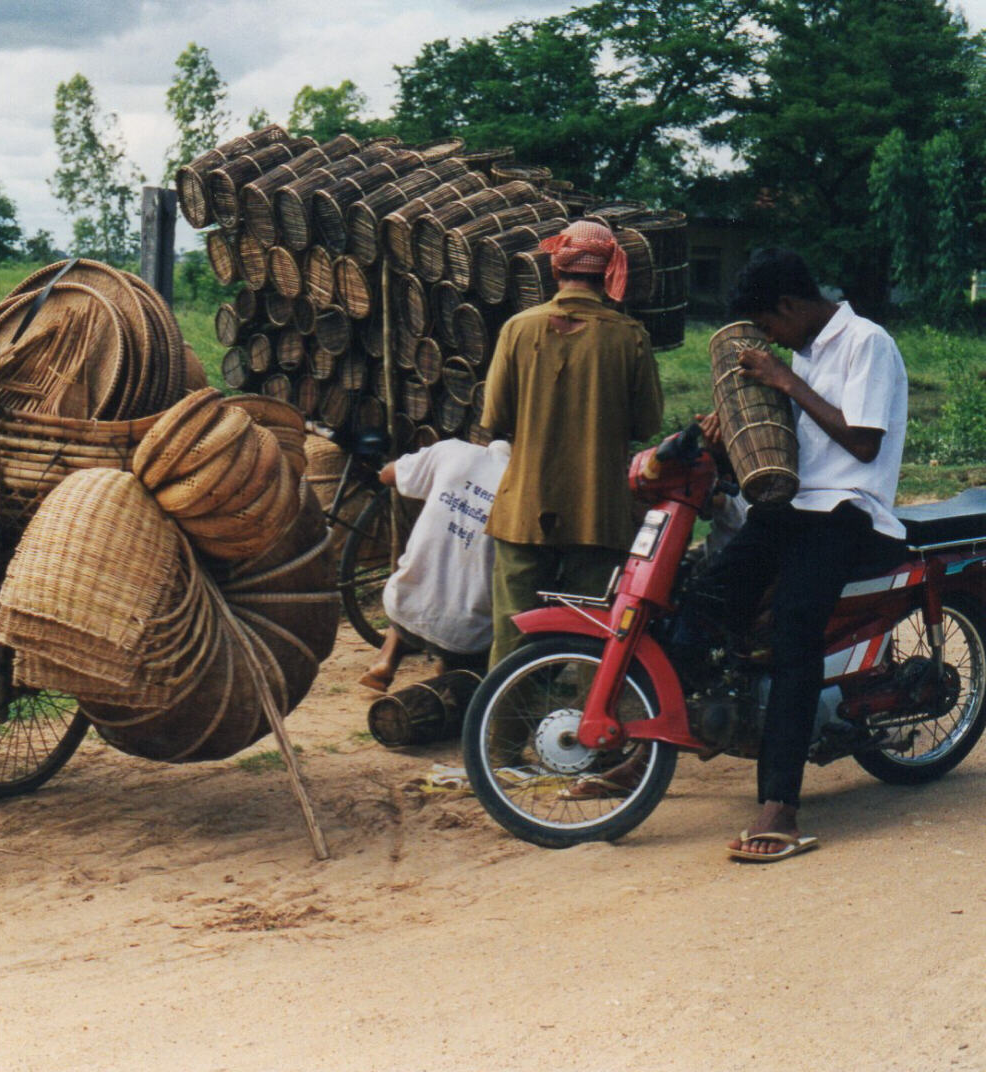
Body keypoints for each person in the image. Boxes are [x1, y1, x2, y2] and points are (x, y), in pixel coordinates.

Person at [691, 247, 908, 862]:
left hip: (852, 512)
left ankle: (780, 804)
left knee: (793, 627)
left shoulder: (867, 343)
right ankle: (651, 749)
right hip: (795, 508)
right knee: (704, 599)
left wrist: (787, 380)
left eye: (770, 325)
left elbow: (863, 443)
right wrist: (729, 432)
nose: (771, 338)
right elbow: (787, 449)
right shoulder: (804, 350)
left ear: (791, 305)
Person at [480, 219, 664, 670]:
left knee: (512, 632)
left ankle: (500, 737)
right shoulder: (630, 337)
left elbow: (495, 420)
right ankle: (589, 730)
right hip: (598, 513)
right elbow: (647, 423)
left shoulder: (518, 329)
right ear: (607, 273)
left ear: (556, 269)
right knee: (593, 632)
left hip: (524, 509)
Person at [359, 427, 511, 694]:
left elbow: (387, 475)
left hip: (405, 608)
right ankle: (446, 675)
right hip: (466, 633)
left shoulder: (452, 451)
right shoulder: (525, 484)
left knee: (418, 577)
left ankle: (386, 658)